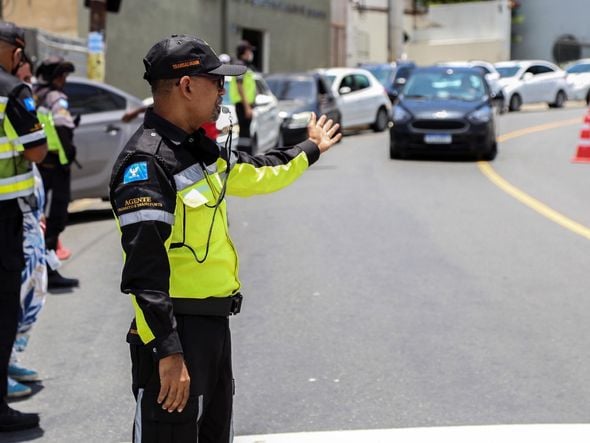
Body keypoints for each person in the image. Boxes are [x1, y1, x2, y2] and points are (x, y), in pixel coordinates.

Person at [109, 34, 341, 442]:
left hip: (212, 329)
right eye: (215, 81)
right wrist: (168, 350)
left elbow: (257, 170)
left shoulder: (199, 150)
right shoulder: (147, 163)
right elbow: (145, 270)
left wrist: (311, 148)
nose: (223, 90)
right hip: (176, 332)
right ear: (186, 86)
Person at [0, 20, 47, 432]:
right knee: (3, 312)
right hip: (3, 217)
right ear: (15, 51)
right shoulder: (12, 91)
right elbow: (37, 150)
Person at [34, 56, 79, 290]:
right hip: (56, 167)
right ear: (56, 77)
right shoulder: (56, 98)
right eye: (63, 75)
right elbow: (61, 125)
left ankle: (42, 269)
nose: (64, 80)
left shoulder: (34, 94)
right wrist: (69, 152)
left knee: (39, 216)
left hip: (39, 166)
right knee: (55, 217)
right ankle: (49, 272)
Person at [228, 40, 257, 153]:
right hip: (242, 104)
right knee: (244, 133)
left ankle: (245, 156)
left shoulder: (244, 65)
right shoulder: (240, 65)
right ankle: (244, 157)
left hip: (245, 104)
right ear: (245, 52)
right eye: (249, 50)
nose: (251, 53)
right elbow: (240, 86)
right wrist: (247, 107)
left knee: (246, 133)